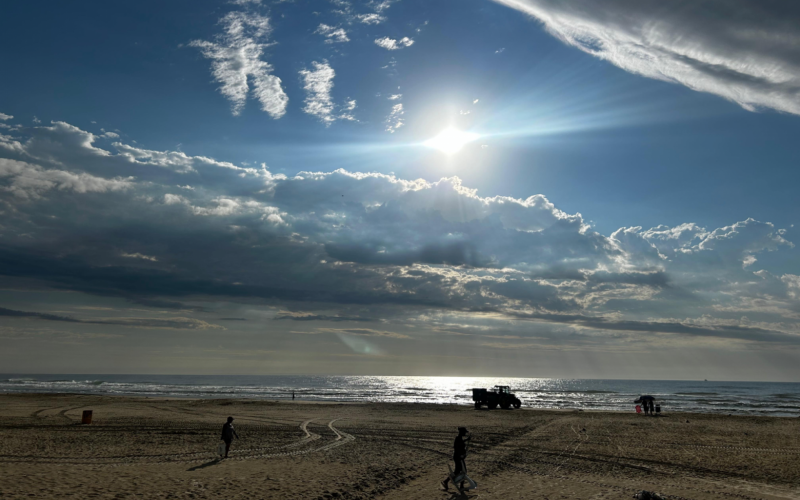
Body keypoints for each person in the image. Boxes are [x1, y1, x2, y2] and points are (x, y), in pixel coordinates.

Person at [440, 427, 470, 491]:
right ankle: (447, 482)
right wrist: (461, 456)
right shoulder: (458, 438)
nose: (465, 433)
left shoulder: (459, 438)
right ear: (461, 432)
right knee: (461, 471)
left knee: (460, 471)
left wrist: (466, 440)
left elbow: (461, 443)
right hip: (458, 458)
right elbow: (457, 448)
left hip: (459, 457)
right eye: (464, 432)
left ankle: (459, 485)